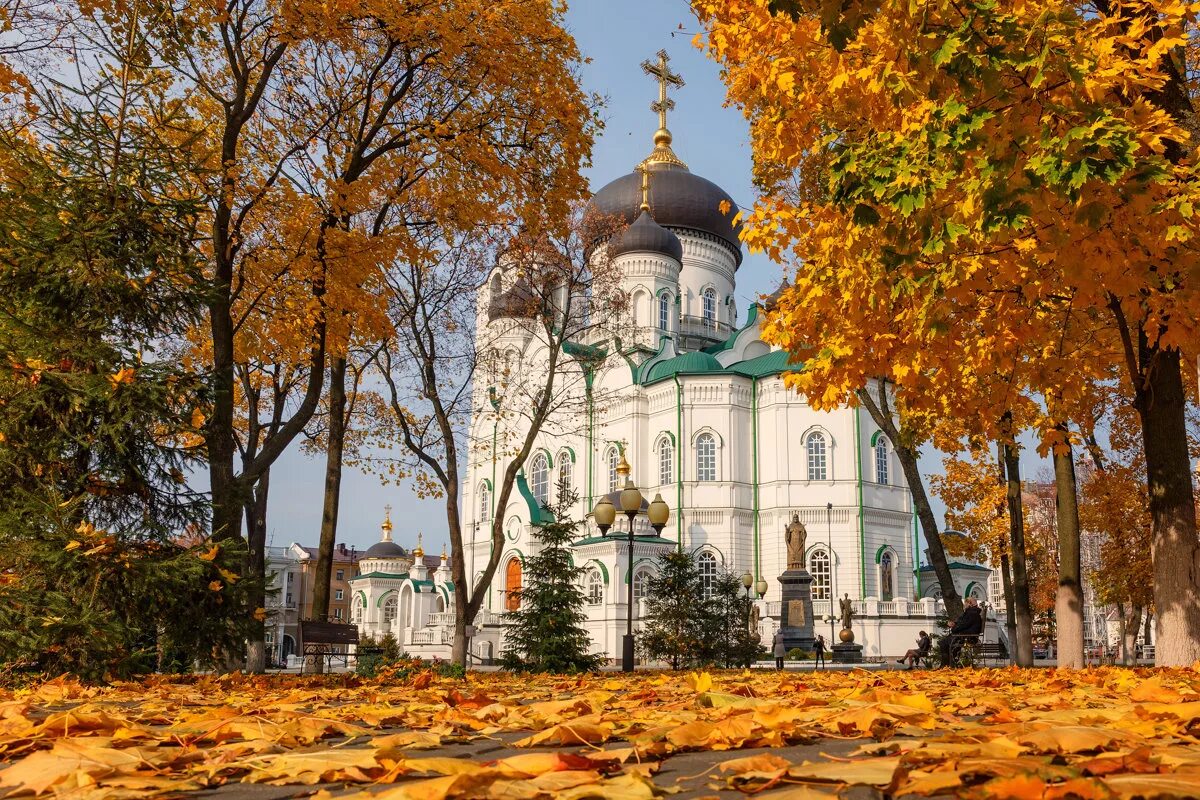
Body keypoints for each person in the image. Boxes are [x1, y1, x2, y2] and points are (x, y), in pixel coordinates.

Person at [939, 597, 983, 667]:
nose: (964, 605)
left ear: (969, 604)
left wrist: (954, 628)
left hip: (967, 637)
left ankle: (947, 665)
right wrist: (955, 624)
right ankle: (949, 664)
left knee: (943, 643)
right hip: (965, 635)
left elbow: (963, 625)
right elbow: (964, 624)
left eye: (965, 603)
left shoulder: (971, 613)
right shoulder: (972, 612)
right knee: (945, 642)